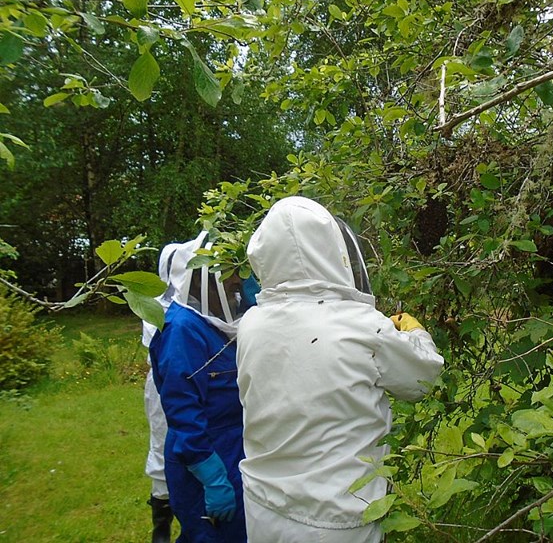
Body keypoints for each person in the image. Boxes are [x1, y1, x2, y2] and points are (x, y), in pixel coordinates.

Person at [237, 196, 444, 543]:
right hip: (336, 518)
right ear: (332, 250)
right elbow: (423, 379)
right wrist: (415, 332)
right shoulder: (362, 326)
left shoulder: (251, 324)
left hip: (262, 507)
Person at [149, 231, 249, 543]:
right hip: (207, 458)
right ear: (199, 280)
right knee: (208, 535)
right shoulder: (182, 330)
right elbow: (182, 409)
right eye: (228, 272)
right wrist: (212, 476)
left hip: (235, 448)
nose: (236, 282)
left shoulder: (216, 320)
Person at [142, 242, 181, 543]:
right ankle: (161, 523)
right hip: (161, 384)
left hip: (185, 381)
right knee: (161, 445)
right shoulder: (154, 304)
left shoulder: (196, 301)